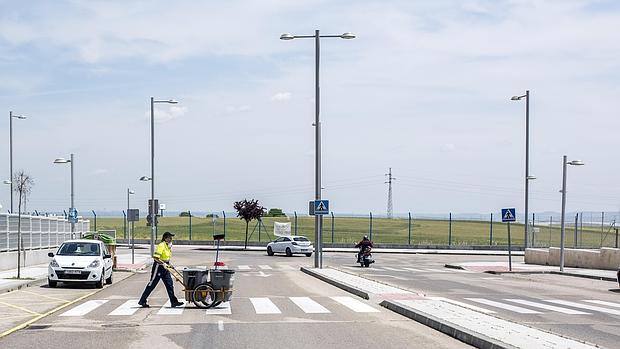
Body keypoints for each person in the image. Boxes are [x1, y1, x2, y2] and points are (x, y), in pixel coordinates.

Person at [138, 232, 184, 308]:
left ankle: (174, 302)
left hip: (166, 267)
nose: (171, 239)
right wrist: (163, 263)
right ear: (165, 238)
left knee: (170, 284)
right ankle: (142, 300)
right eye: (169, 238)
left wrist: (169, 264)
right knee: (152, 284)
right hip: (158, 267)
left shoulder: (167, 246)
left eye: (171, 238)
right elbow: (156, 257)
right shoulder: (161, 245)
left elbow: (166, 258)